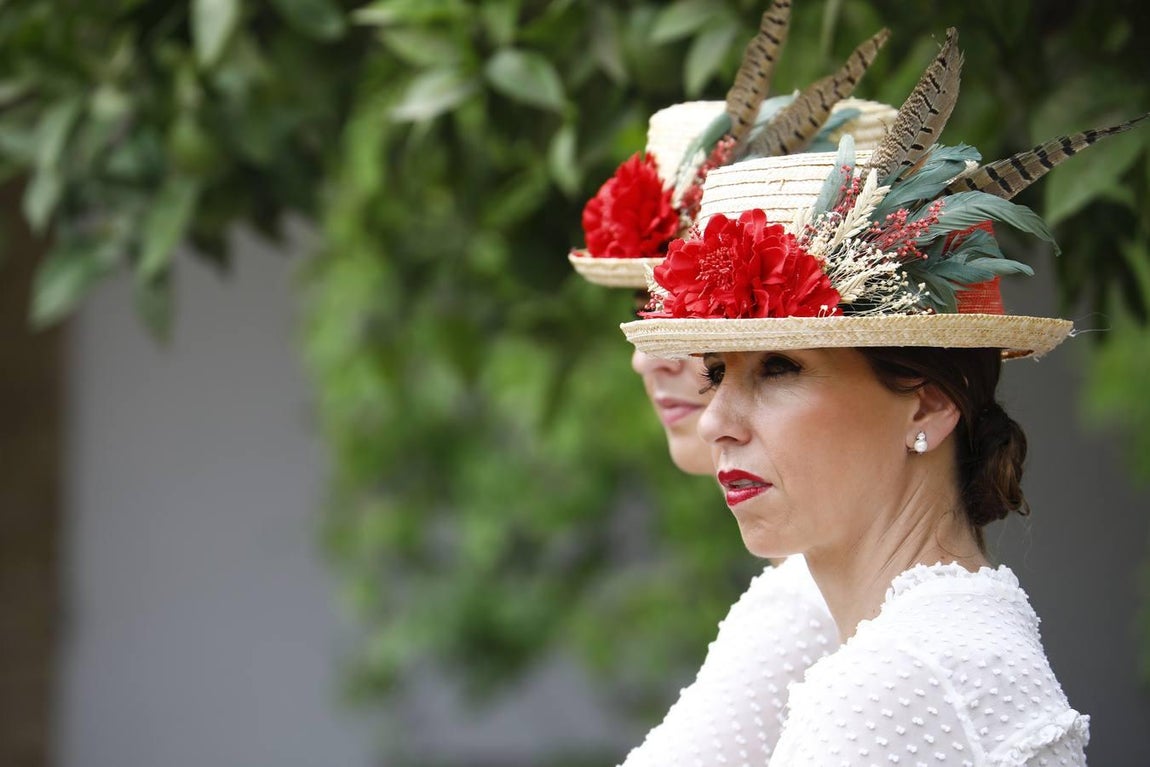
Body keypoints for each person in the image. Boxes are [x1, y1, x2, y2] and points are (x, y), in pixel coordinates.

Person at [617, 27, 1139, 764]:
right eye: (716, 369)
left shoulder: (895, 679)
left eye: (779, 367)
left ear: (927, 402)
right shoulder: (921, 641)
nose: (715, 420)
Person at [568, 6, 907, 761]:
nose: (649, 354)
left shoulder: (832, 608)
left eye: (718, 311)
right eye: (650, 309)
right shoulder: (812, 586)